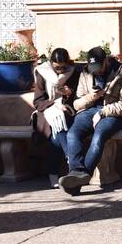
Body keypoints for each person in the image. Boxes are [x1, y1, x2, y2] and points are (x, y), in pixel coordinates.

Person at [58, 46, 122, 195]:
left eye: (99, 67)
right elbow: (77, 104)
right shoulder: (85, 73)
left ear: (105, 61)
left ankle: (78, 180)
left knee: (99, 135)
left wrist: (103, 111)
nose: (96, 71)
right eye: (92, 67)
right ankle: (77, 172)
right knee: (72, 134)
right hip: (89, 112)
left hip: (113, 114)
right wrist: (92, 96)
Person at [31, 47, 79, 187]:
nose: (60, 71)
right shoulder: (42, 72)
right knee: (58, 125)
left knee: (57, 133)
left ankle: (53, 172)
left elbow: (79, 96)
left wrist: (69, 93)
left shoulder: (74, 72)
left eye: (63, 67)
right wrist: (54, 103)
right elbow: (38, 101)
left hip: (67, 110)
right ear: (51, 63)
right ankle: (73, 164)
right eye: (57, 68)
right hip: (45, 112)